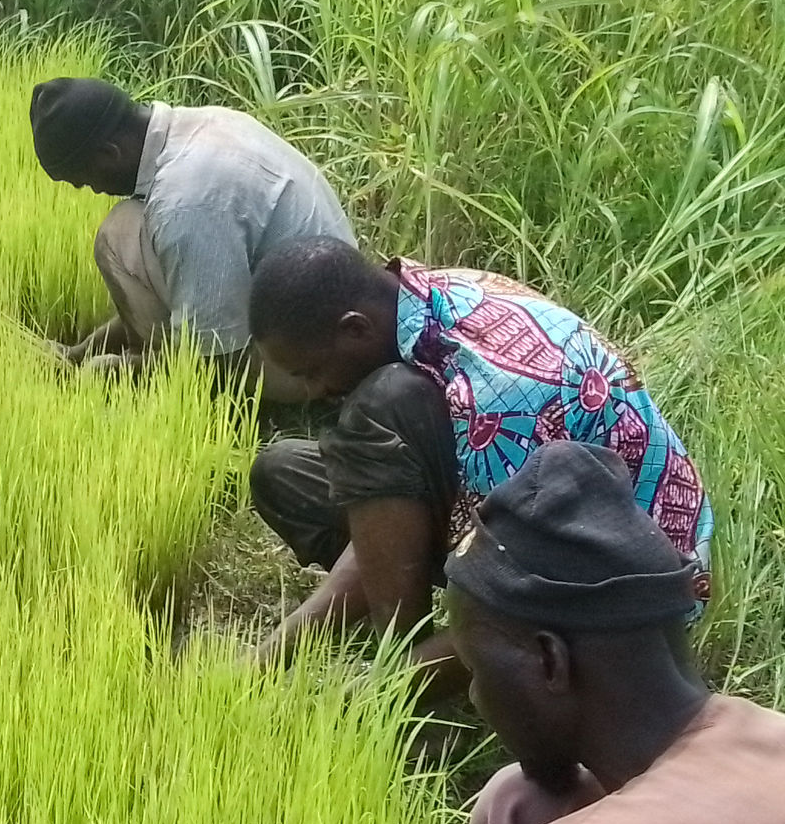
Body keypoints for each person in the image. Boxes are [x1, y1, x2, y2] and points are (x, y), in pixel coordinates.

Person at [331, 441, 785, 824]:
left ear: (548, 660)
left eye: (475, 669)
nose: (473, 698)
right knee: (516, 802)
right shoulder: (763, 733)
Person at [246, 238, 711, 693]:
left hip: (627, 588)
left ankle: (407, 679)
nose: (313, 391)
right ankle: (403, 651)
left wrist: (369, 697)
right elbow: (382, 510)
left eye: (312, 372)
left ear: (355, 329)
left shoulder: (494, 401)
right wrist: (268, 657)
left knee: (383, 406)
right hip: (537, 507)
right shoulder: (419, 299)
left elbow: (514, 603)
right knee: (285, 472)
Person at [28, 77, 355, 400]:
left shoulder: (187, 202)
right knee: (122, 229)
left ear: (110, 153)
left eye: (84, 180)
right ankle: (151, 354)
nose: (94, 190)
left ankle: (166, 374)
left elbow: (219, 356)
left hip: (311, 364)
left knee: (109, 369)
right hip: (307, 312)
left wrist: (128, 371)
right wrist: (80, 352)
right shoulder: (204, 124)